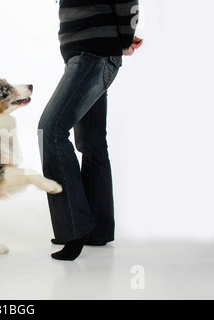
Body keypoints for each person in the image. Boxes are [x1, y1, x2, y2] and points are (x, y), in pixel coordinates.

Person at [38, 0, 143, 261]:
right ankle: (97, 229)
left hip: (93, 55)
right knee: (91, 143)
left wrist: (124, 38)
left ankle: (75, 229)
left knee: (51, 130)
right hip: (84, 54)